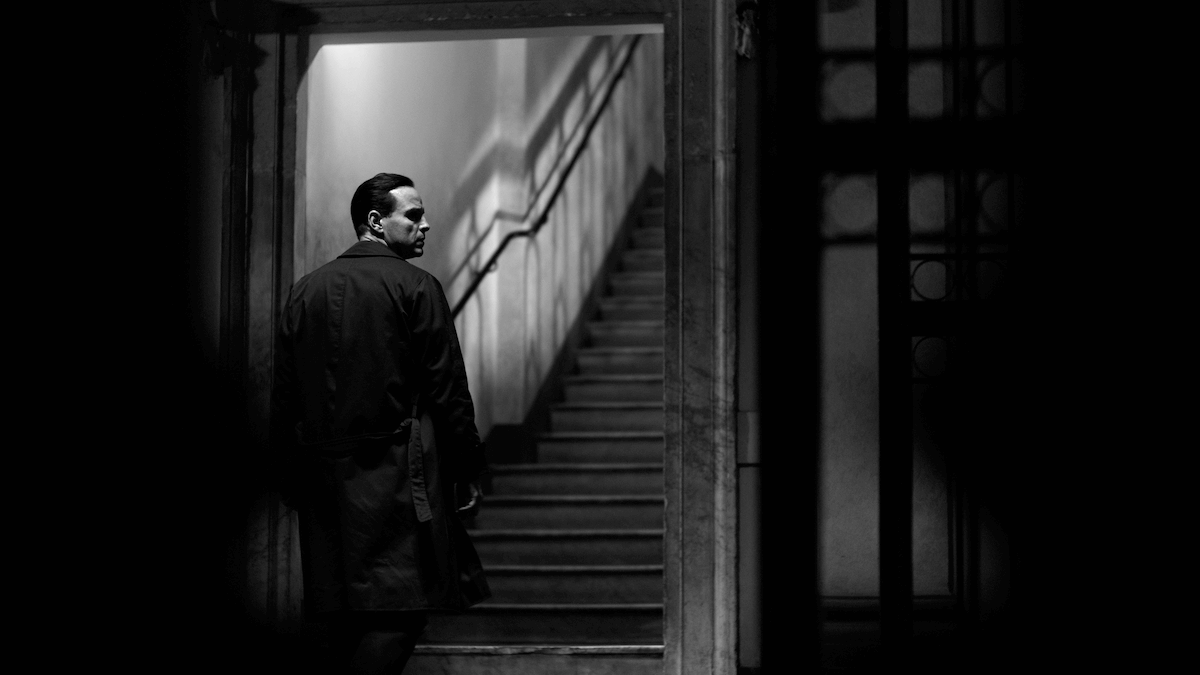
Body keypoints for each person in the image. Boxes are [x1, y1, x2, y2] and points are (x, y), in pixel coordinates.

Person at [271, 173, 490, 674]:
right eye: (413, 215)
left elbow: (283, 398)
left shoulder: (305, 292)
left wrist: (286, 474)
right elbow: (448, 388)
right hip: (393, 478)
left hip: (325, 482)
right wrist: (466, 466)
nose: (425, 224)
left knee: (337, 617)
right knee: (400, 613)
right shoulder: (416, 286)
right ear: (375, 221)